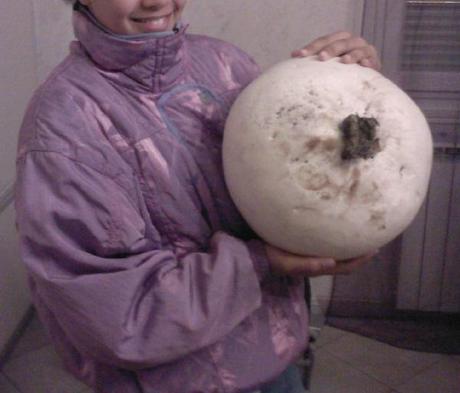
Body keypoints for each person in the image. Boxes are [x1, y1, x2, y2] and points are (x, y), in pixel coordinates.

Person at [14, 1, 380, 392]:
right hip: (174, 381)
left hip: (276, 354)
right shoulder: (62, 129)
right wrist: (261, 263)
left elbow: (295, 183)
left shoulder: (227, 65)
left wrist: (354, 92)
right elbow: (117, 318)